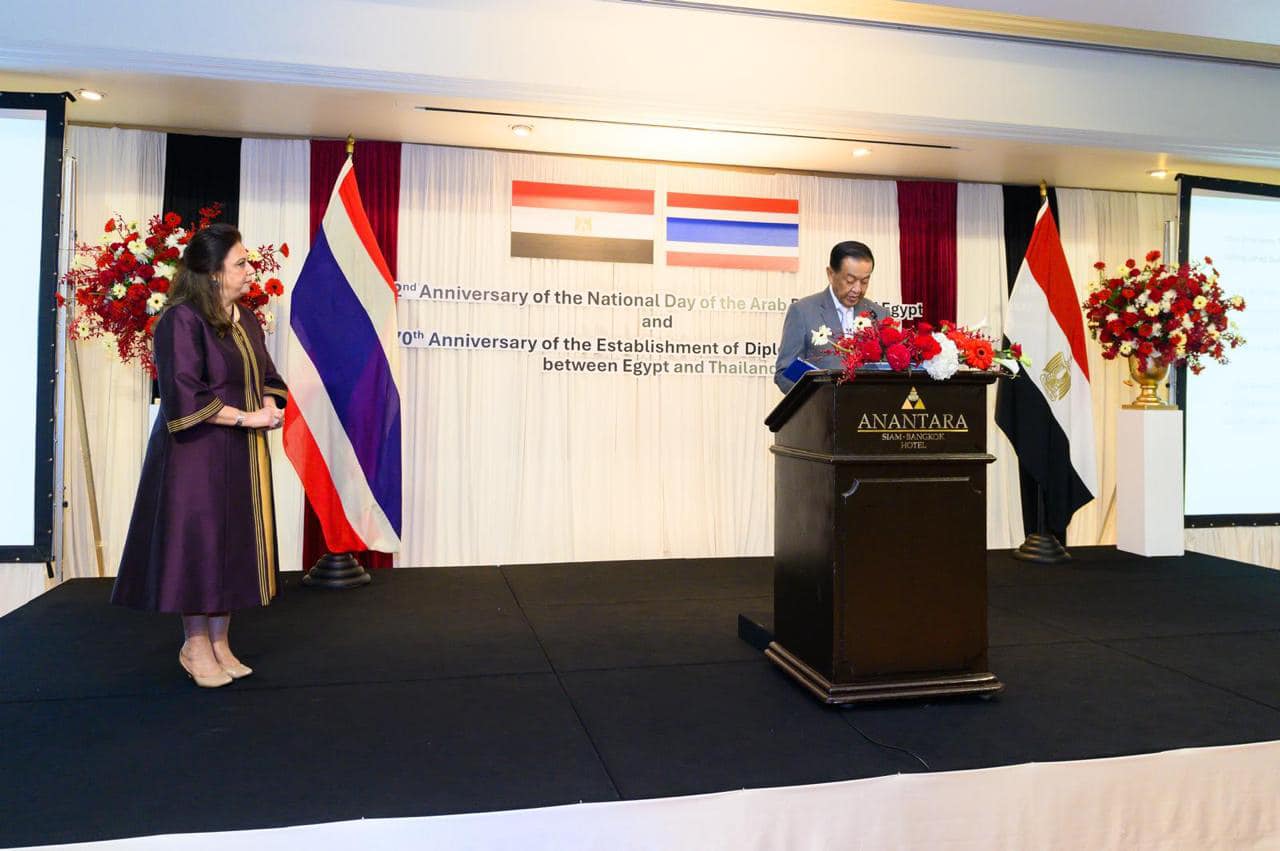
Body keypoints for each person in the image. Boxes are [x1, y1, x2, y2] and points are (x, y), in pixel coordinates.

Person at [112, 223, 288, 688]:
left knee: (231, 544)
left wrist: (270, 405)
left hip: (240, 453)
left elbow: (268, 377)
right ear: (213, 273)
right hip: (195, 454)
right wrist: (248, 418)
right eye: (241, 263)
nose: (251, 271)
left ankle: (220, 642)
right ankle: (194, 645)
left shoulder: (246, 319)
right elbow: (184, 395)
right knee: (201, 545)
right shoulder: (181, 320)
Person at [773, 240, 888, 393]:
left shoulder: (879, 315)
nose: (857, 289)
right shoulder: (802, 312)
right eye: (850, 280)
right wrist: (817, 398)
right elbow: (785, 373)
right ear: (831, 274)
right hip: (821, 406)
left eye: (864, 282)